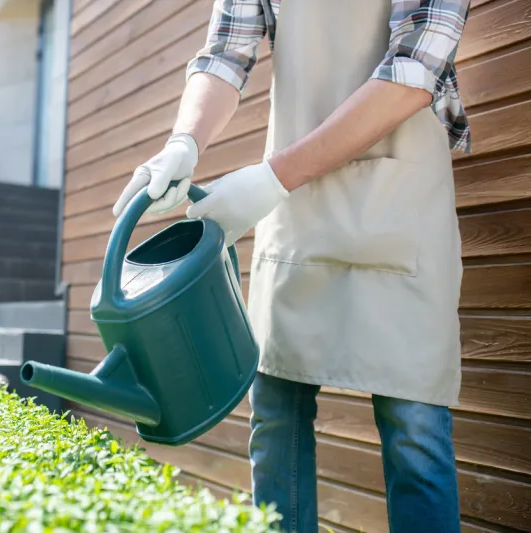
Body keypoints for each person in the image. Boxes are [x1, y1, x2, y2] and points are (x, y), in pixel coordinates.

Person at [111, 1, 471, 532]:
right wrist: (183, 142)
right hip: (294, 208)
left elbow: (414, 72)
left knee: (413, 424)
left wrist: (271, 179)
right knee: (276, 412)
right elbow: (225, 54)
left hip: (396, 202)